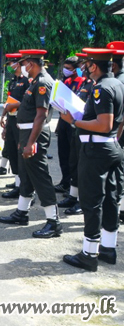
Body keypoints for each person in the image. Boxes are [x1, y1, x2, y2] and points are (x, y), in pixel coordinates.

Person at [61, 48, 124, 271]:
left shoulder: (101, 89)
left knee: (91, 201)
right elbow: (117, 123)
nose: (84, 67)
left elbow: (104, 124)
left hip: (96, 151)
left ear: (93, 66)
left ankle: (89, 254)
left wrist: (73, 122)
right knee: (111, 199)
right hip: (112, 148)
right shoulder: (118, 84)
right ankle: (108, 248)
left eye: (87, 64)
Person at [0, 50, 61, 238]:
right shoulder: (35, 81)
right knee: (26, 175)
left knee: (40, 177)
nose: (22, 68)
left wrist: (30, 142)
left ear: (31, 64)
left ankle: (53, 222)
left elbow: (41, 115)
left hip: (34, 135)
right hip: (25, 132)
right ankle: (22, 212)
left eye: (24, 64)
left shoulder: (42, 83)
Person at [58, 53, 94, 215]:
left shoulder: (94, 84)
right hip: (75, 128)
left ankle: (81, 201)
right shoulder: (86, 83)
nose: (83, 68)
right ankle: (73, 196)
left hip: (87, 130)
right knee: (73, 162)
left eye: (85, 64)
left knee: (83, 167)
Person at [0, 53, 31, 199]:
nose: (11, 66)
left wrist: (14, 105)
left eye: (12, 63)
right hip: (11, 120)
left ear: (18, 64)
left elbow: (27, 101)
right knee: (11, 150)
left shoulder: (27, 81)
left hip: (21, 120)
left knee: (20, 152)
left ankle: (22, 185)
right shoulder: (13, 81)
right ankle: (17, 182)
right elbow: (8, 102)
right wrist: (3, 119)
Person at [53, 57, 80, 194]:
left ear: (76, 69)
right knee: (63, 153)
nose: (65, 71)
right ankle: (65, 182)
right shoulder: (66, 82)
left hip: (74, 123)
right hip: (63, 120)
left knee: (73, 156)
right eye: (65, 68)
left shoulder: (81, 83)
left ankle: (73, 186)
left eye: (68, 69)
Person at [105, 41, 124, 225]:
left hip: (119, 133)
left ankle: (119, 210)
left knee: (118, 174)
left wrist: (116, 138)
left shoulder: (119, 81)